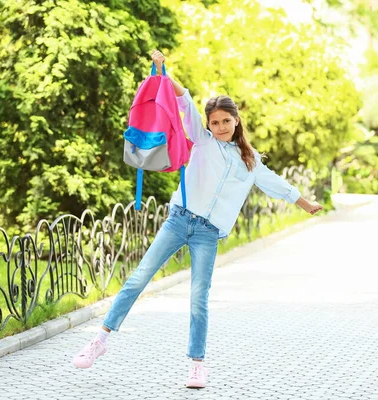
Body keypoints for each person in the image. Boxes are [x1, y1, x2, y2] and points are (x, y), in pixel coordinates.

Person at [72, 50, 323, 388]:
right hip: (179, 220)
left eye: (225, 121)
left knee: (198, 297)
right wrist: (163, 70)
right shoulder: (201, 142)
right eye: (214, 122)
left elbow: (278, 185)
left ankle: (197, 364)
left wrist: (306, 204)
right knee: (137, 279)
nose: (220, 127)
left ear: (236, 121)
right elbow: (184, 100)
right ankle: (99, 341)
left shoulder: (250, 162)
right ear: (207, 124)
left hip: (208, 233)